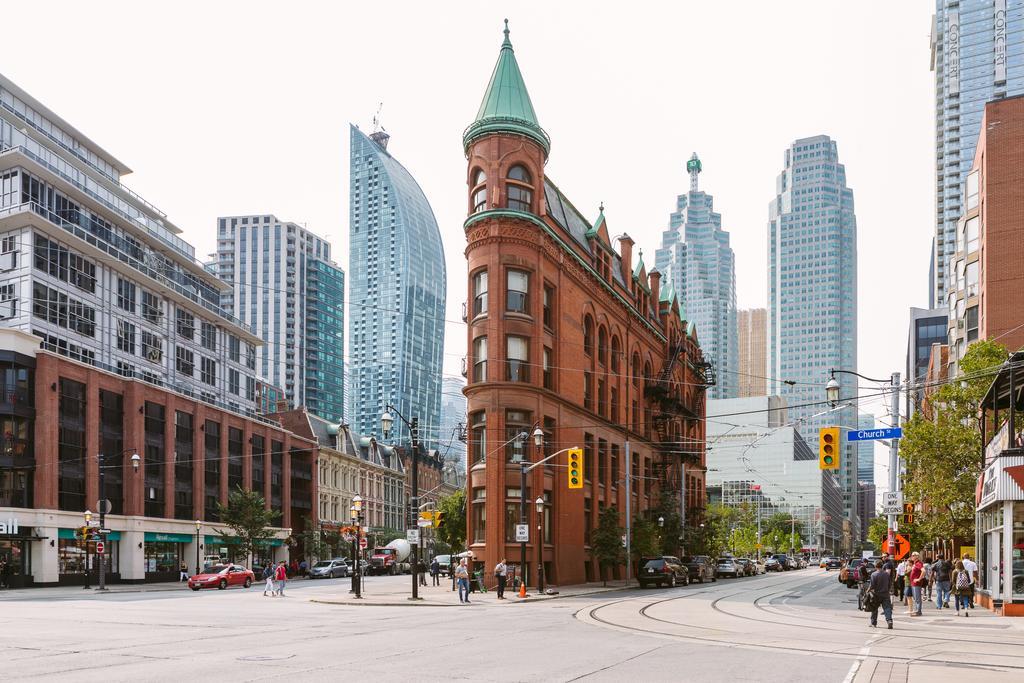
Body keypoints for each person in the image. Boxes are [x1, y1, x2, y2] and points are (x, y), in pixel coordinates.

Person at [867, 560, 893, 629]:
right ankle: (889, 620)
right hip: (885, 594)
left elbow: (872, 586)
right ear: (882, 566)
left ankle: (873, 623)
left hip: (876, 595)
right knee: (887, 608)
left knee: (874, 608)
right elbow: (890, 583)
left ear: (875, 566)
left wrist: (867, 591)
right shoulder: (886, 574)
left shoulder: (874, 574)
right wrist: (888, 590)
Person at [908, 552, 924, 617]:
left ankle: (918, 612)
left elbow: (923, 571)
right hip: (913, 583)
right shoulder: (915, 563)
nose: (912, 556)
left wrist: (919, 579)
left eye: (913, 555)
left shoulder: (918, 563)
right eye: (912, 555)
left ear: (917, 556)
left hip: (916, 583)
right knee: (916, 598)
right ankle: (917, 610)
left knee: (917, 598)